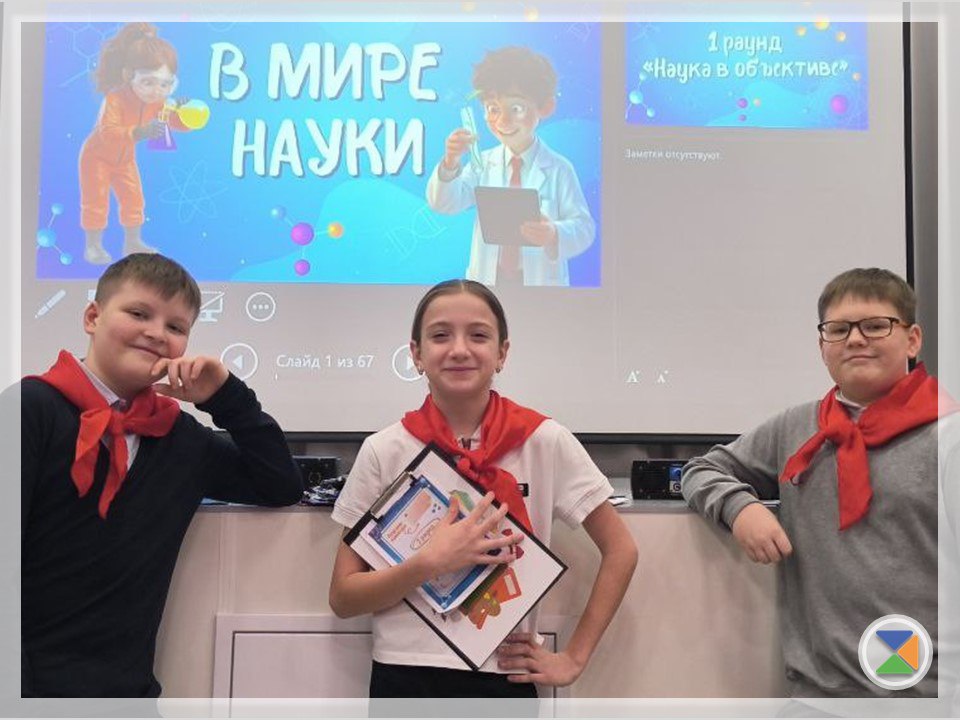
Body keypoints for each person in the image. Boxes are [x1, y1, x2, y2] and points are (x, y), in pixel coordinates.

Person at [328, 279, 637, 700]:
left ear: (502, 353)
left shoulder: (544, 441)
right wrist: (428, 563)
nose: (459, 349)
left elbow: (621, 550)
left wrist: (574, 658)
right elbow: (343, 597)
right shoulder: (385, 449)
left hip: (503, 673)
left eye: (478, 335)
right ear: (416, 354)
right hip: (403, 673)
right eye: (440, 335)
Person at [19, 253, 304, 697]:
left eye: (176, 327)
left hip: (129, 693)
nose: (156, 333)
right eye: (138, 314)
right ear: (92, 317)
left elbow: (280, 485)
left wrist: (227, 397)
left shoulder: (179, 437)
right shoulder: (30, 408)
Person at [681, 267, 955, 698]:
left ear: (913, 339)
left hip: (933, 695)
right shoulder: (796, 428)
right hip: (820, 697)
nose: (856, 339)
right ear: (822, 346)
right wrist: (741, 508)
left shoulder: (949, 436)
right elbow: (701, 469)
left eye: (875, 326)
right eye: (839, 329)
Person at [426, 47, 595, 287]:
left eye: (516, 109)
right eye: (493, 109)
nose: (503, 121)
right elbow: (444, 203)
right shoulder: (481, 164)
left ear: (545, 107)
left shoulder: (559, 169)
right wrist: (450, 162)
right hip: (489, 280)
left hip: (540, 284)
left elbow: (584, 228)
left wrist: (554, 233)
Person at [79, 22, 192, 265]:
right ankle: (93, 245)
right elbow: (108, 133)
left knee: (134, 198)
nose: (156, 91)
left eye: (165, 84)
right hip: (97, 157)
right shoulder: (115, 99)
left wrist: (184, 114)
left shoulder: (157, 102)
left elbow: (172, 122)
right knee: (96, 200)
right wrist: (139, 132)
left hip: (125, 159)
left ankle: (132, 242)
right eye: (148, 82)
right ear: (128, 75)